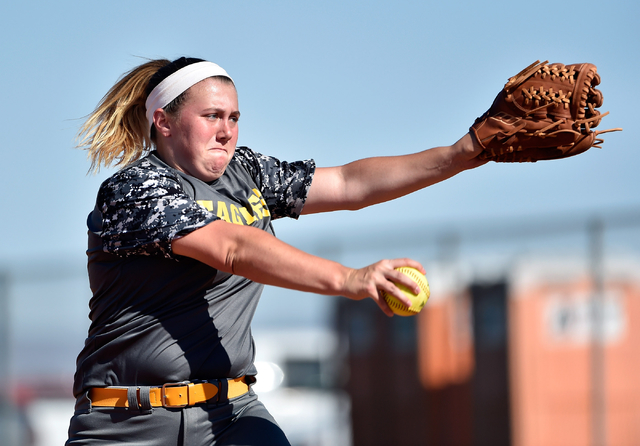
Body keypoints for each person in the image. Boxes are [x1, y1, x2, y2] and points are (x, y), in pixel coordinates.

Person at [66, 56, 486, 446]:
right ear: (164, 122)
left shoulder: (245, 173)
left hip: (230, 414)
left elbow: (346, 184)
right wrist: (348, 278)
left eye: (233, 117)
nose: (226, 130)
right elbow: (231, 247)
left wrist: (462, 153)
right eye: (211, 116)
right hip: (129, 424)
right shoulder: (135, 190)